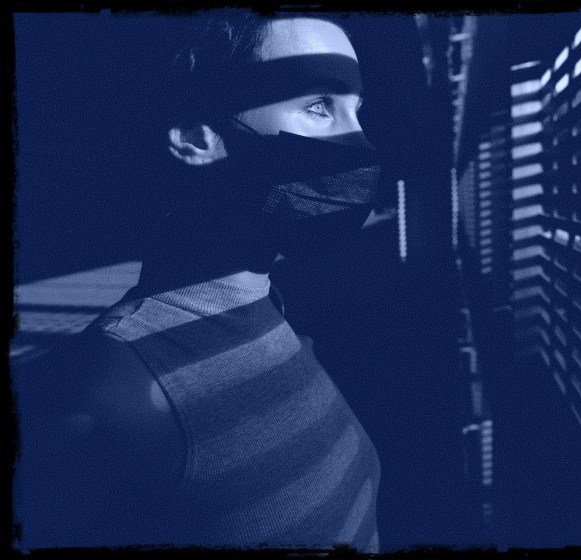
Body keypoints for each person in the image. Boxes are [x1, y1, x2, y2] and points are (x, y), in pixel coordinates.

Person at [13, 11, 381, 552]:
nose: (359, 142)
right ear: (197, 138)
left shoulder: (268, 308)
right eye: (318, 106)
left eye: (357, 111)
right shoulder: (115, 392)